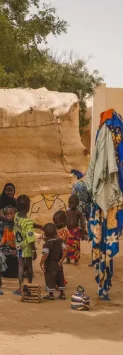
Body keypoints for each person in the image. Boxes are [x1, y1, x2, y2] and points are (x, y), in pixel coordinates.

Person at [86, 109, 123, 300]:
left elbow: (97, 170)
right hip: (112, 200)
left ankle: (104, 286)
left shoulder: (104, 132)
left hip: (105, 202)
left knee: (103, 240)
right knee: (107, 239)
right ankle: (104, 286)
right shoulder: (113, 134)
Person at [13, 195, 37, 295]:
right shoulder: (28, 222)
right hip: (27, 247)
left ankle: (20, 287)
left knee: (20, 266)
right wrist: (33, 250)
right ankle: (29, 285)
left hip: (18, 245)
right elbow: (30, 239)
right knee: (29, 266)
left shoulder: (16, 216)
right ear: (28, 207)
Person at [40, 223, 67, 300]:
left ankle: (51, 295)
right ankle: (62, 294)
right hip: (58, 263)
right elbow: (66, 249)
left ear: (45, 234)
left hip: (49, 265)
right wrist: (61, 260)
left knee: (50, 278)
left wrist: (41, 263)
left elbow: (46, 254)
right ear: (56, 232)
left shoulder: (47, 244)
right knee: (60, 277)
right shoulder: (60, 241)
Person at [0, 206, 18, 278]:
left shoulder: (19, 228)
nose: (8, 215)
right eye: (7, 214)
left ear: (16, 215)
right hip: (11, 250)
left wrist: (16, 250)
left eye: (11, 213)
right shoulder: (6, 228)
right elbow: (3, 241)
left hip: (18, 250)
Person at [66, 195, 86, 264]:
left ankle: (76, 259)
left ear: (77, 204)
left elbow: (82, 222)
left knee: (76, 246)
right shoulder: (67, 212)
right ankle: (68, 259)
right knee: (68, 245)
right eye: (69, 203)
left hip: (76, 231)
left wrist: (83, 232)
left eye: (72, 203)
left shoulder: (78, 212)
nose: (70, 205)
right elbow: (64, 221)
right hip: (69, 231)